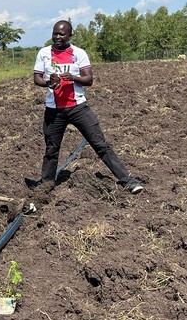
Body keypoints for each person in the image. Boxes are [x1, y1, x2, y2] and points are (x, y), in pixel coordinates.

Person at [32, 20, 144, 194]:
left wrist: (73, 77)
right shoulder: (44, 53)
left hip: (78, 107)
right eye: (55, 33)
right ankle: (45, 187)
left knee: (99, 144)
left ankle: (127, 181)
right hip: (54, 111)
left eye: (62, 34)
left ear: (70, 35)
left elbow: (89, 80)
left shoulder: (79, 53)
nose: (58, 37)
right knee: (51, 149)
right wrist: (48, 82)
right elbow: (36, 77)